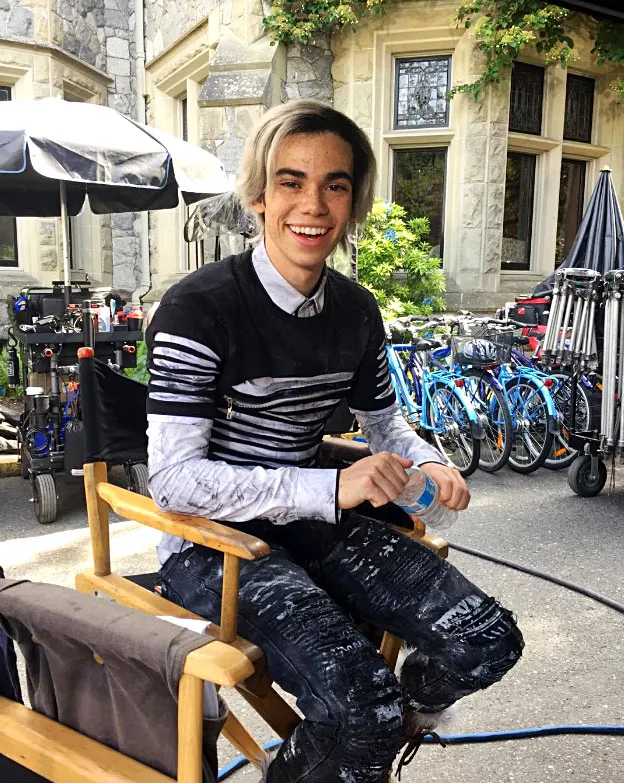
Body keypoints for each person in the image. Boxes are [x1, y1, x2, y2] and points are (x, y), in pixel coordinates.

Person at [146, 99, 524, 783]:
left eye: (335, 185)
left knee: (487, 639)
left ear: (353, 203)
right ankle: (354, 745)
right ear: (259, 196)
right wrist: (331, 485)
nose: (313, 205)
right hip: (212, 548)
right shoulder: (197, 307)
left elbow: (385, 423)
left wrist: (430, 460)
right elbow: (173, 481)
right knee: (362, 713)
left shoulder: (356, 309)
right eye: (291, 181)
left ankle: (383, 731)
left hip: (316, 526)